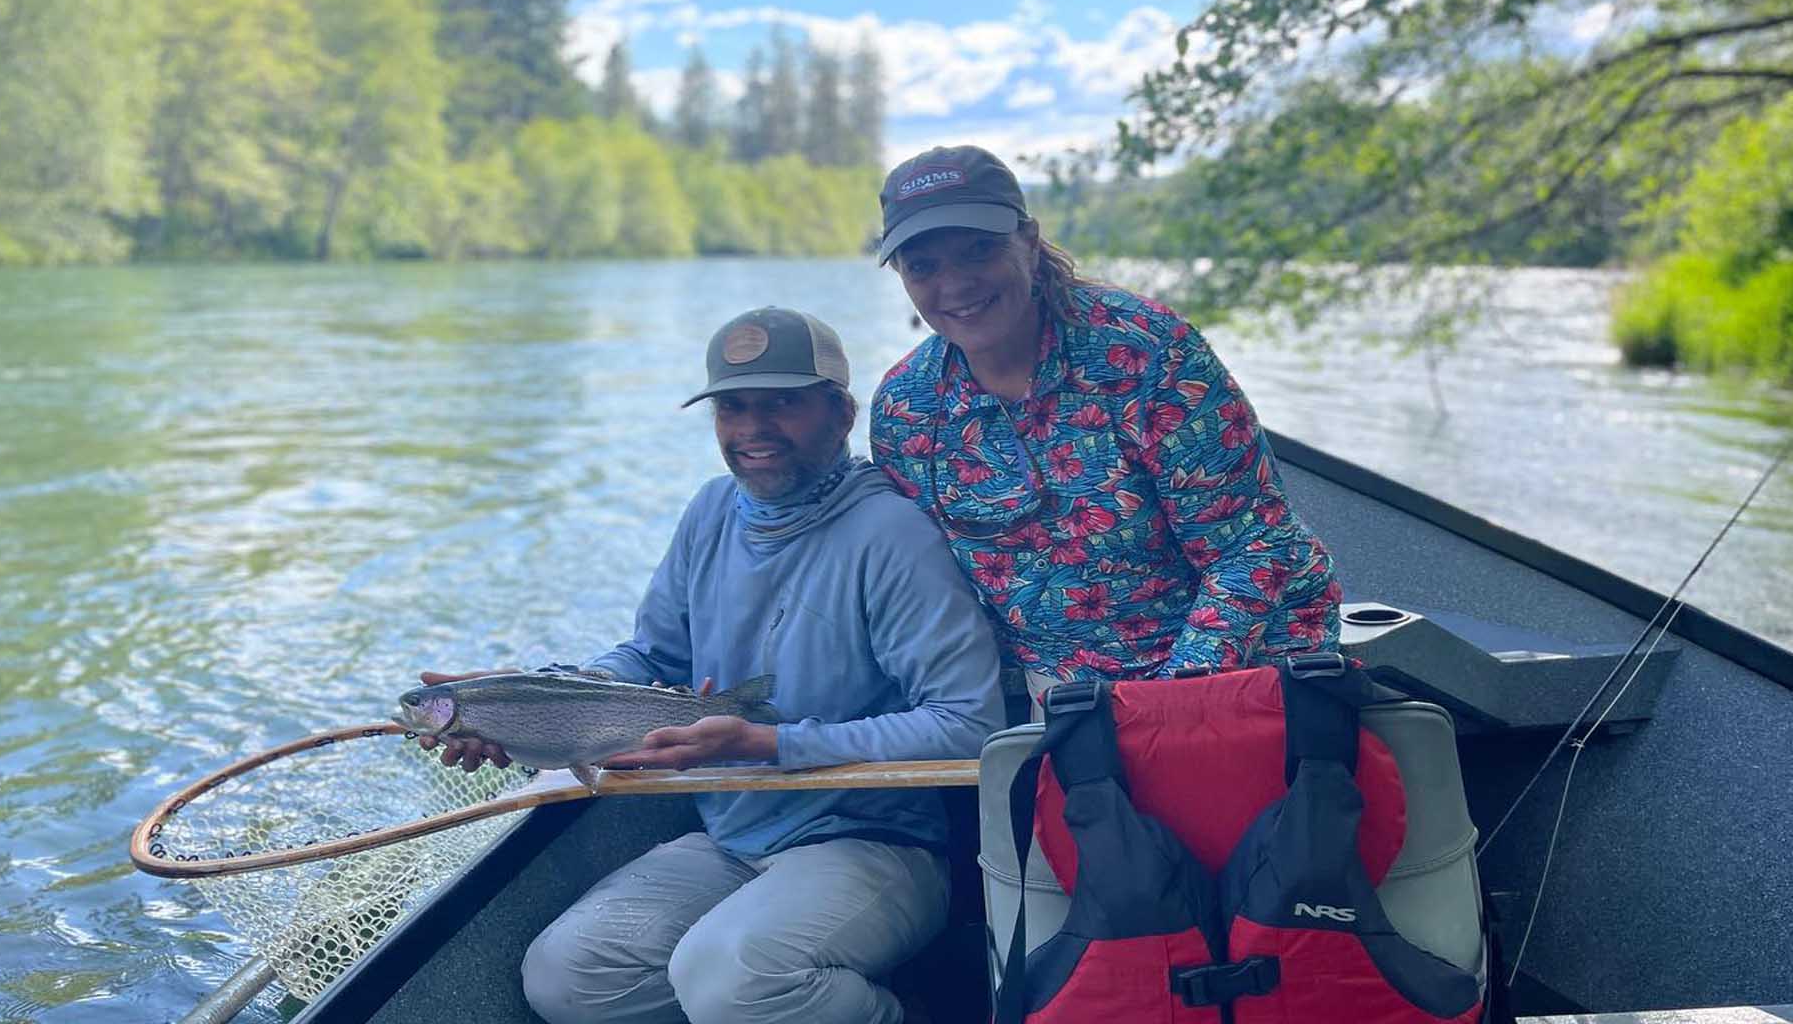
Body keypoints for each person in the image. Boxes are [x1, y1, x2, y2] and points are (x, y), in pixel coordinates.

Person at [416, 305, 1005, 1024]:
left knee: (728, 979)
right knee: (565, 975)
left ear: (841, 413)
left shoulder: (892, 536)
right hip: (731, 836)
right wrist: (534, 698)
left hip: (877, 848)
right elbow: (651, 655)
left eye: (781, 403)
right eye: (732, 406)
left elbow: (972, 726)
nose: (753, 429)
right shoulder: (710, 510)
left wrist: (773, 743)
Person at [868, 145, 1343, 698]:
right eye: (924, 266)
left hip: (1249, 655)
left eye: (978, 251)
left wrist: (1174, 698)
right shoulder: (906, 409)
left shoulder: (1145, 350)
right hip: (1067, 692)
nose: (955, 284)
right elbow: (942, 589)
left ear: (1028, 240)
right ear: (902, 273)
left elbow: (1255, 544)